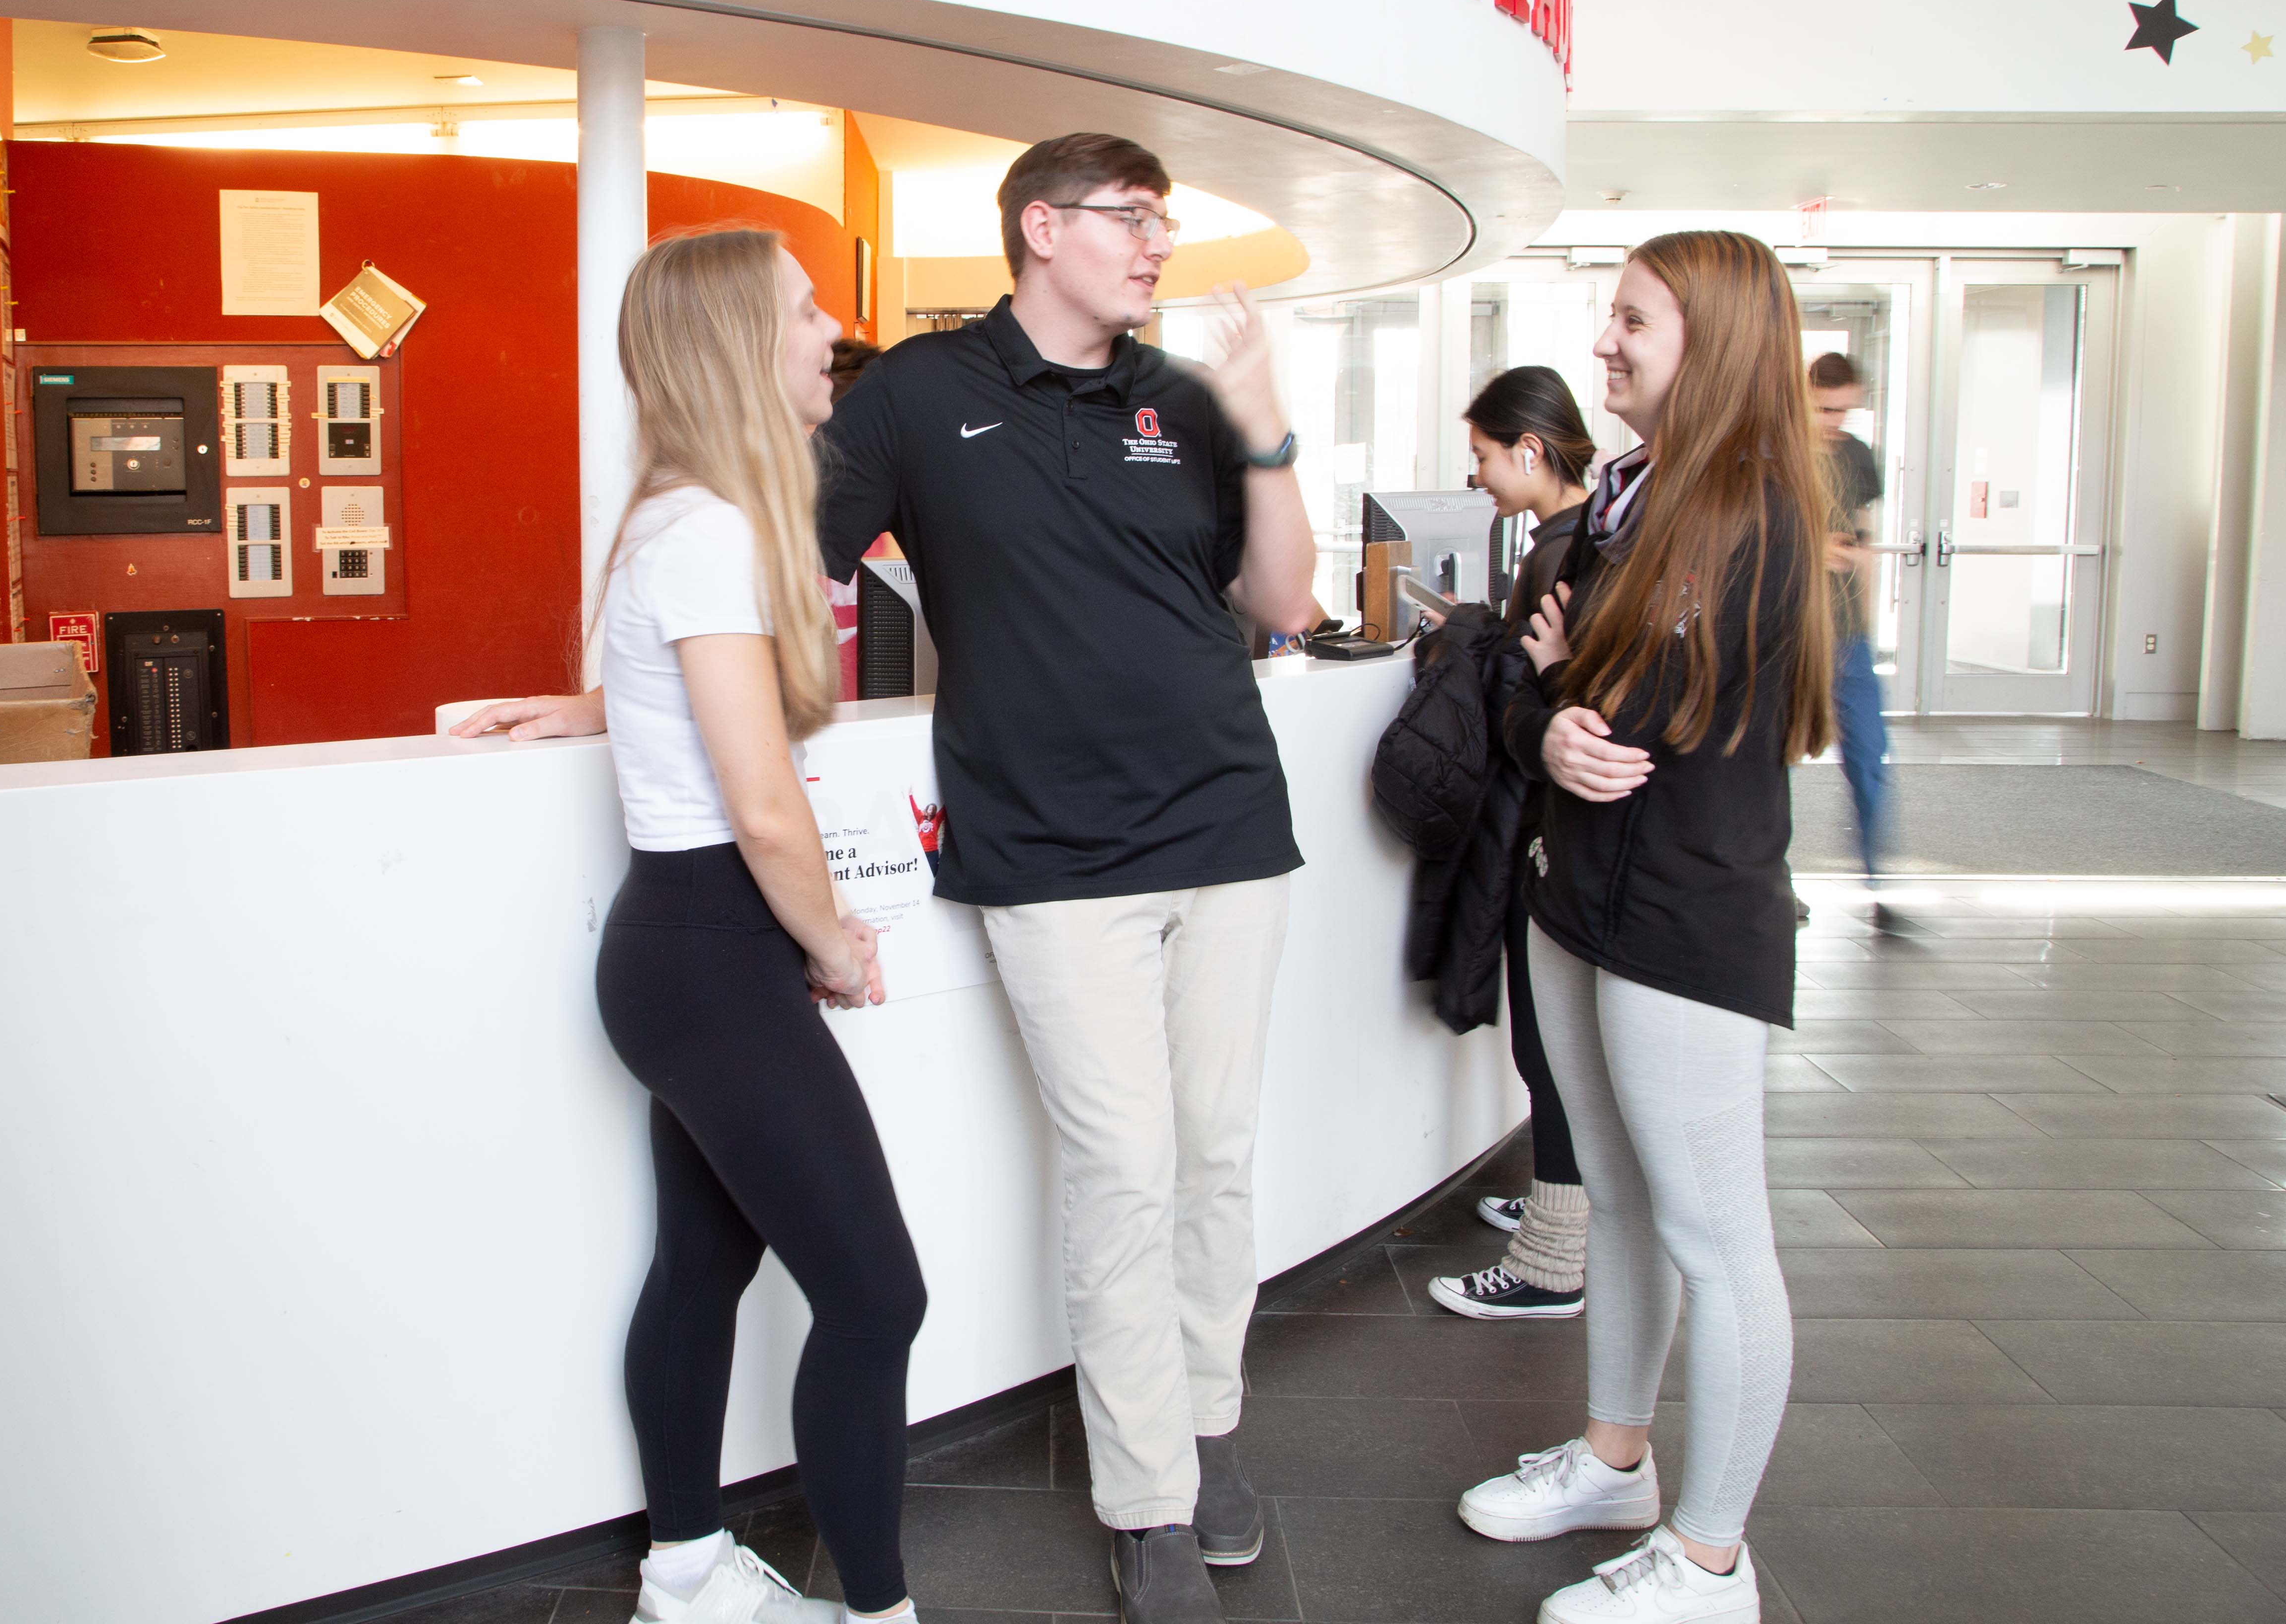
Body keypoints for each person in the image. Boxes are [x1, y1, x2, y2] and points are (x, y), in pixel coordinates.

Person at [458, 133, 1320, 1624]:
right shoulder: (916, 398)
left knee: (1220, 1156)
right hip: (1050, 852)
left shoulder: (1180, 398)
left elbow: (1287, 600)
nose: (1162, 243)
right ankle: (1150, 1496)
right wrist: (609, 695)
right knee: (1124, 1169)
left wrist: (1266, 429)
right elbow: (748, 588)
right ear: (1042, 228)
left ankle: (1207, 1425)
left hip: (1233, 824)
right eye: (1134, 217)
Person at [1460, 232, 1830, 1624]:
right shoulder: (1623, 499)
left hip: (1685, 916)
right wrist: (1545, 703)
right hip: (1581, 899)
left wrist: (1566, 687)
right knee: (1616, 1202)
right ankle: (1618, 1461)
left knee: (1716, 1238)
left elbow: (1638, 707)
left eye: (1634, 324)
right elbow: (1532, 690)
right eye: (1610, 318)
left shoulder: (1751, 518)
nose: (1603, 345)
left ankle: (1710, 1558)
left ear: (1715, 345)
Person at [586, 228, 925, 1624]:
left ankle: (684, 1571)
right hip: (711, 957)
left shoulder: (680, 520)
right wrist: (836, 944)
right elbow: (764, 809)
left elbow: (678, 724)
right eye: (802, 309)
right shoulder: (714, 532)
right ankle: (880, 1615)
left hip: (685, 954)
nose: (831, 327)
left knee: (705, 1264)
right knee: (877, 1300)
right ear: (739, 346)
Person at [1425, 367, 1597, 1324]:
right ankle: (1556, 1210)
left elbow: (1546, 703)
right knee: (1551, 1041)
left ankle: (1552, 1261)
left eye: (1487, 456)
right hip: (1555, 833)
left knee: (1551, 1044)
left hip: (1548, 836)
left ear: (1529, 450)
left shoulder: (1564, 554)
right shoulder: (1575, 538)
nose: (1479, 476)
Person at [1807, 352, 1892, 911]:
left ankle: (1879, 881)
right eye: (1825, 409)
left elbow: (1864, 538)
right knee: (1765, 763)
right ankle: (1771, 881)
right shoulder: (1774, 452)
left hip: (1846, 636)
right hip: (1794, 633)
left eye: (1845, 410)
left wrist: (1866, 622)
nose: (1835, 422)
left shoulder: (1858, 456)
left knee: (1868, 755)